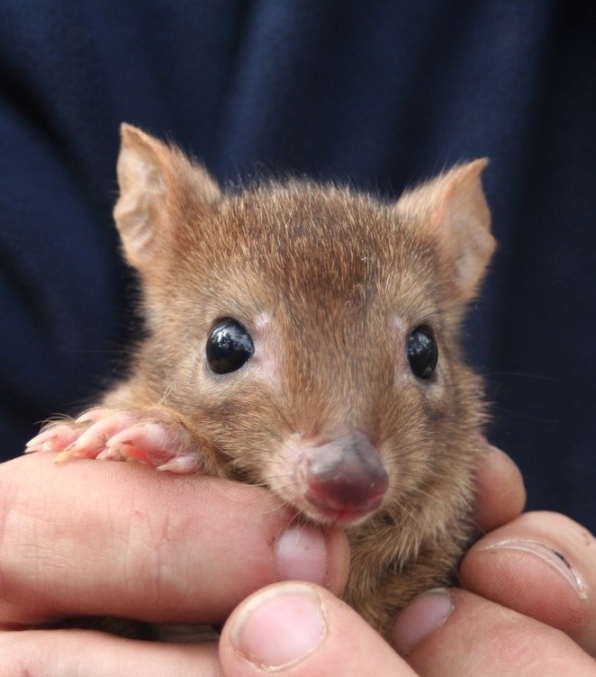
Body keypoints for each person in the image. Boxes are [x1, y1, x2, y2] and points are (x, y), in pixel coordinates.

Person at [1, 1, 595, 674]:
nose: (348, 459)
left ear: (462, 253)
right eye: (231, 349)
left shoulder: (448, 482)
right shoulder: (83, 37)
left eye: (417, 355)